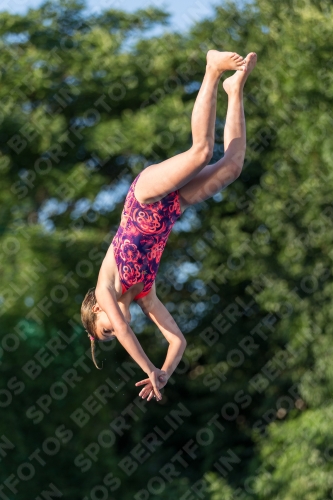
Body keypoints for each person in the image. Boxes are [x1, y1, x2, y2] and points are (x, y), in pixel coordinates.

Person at [81, 50, 257, 402]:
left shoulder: (105, 288)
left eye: (108, 329)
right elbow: (178, 340)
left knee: (201, 152)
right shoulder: (145, 294)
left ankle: (211, 68)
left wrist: (145, 366)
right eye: (113, 334)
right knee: (233, 166)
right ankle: (234, 89)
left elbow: (130, 337)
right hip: (174, 206)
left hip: (145, 196)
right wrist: (162, 373)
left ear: (99, 311)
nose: (118, 329)